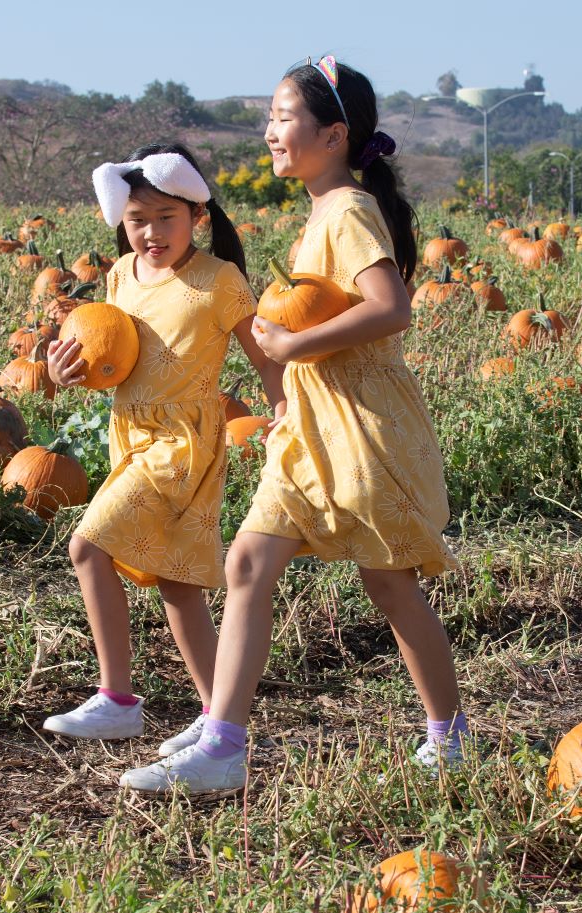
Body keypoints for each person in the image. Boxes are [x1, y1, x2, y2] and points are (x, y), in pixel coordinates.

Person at [120, 59, 467, 795]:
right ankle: (224, 740)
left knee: (391, 583)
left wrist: (288, 346)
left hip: (363, 424)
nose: (269, 130)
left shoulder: (346, 210)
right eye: (271, 117)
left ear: (333, 134)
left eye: (283, 116)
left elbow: (390, 307)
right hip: (313, 422)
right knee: (248, 562)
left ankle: (449, 733)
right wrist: (286, 381)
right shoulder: (323, 208)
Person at [42, 142, 285, 758]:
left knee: (86, 546)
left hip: (182, 444)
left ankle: (118, 700)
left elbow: (264, 360)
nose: (151, 233)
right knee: (178, 585)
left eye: (165, 218)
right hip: (130, 435)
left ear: (197, 215)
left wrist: (285, 415)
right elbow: (107, 360)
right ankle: (216, 721)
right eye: (137, 221)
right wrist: (60, 371)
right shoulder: (120, 276)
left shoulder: (219, 281)